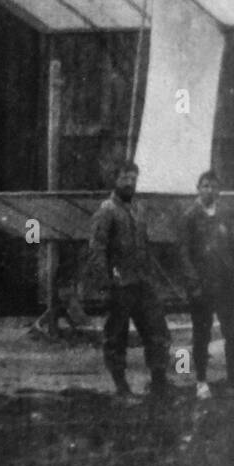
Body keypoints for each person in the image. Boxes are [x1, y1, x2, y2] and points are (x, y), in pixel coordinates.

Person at [88, 160, 171, 398]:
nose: (130, 182)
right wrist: (105, 283)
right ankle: (121, 385)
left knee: (157, 329)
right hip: (119, 284)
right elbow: (97, 249)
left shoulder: (139, 209)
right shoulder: (106, 210)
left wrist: (151, 277)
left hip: (142, 282)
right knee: (117, 335)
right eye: (125, 177)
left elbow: (145, 246)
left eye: (133, 177)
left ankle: (159, 382)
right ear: (115, 180)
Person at [178, 170, 234, 399]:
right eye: (204, 185)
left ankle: (233, 380)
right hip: (202, 285)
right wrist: (193, 284)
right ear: (198, 188)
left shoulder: (225, 213)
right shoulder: (189, 216)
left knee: (233, 332)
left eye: (213, 186)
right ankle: (200, 381)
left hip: (226, 285)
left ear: (219, 190)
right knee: (201, 334)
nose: (209, 190)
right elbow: (184, 253)